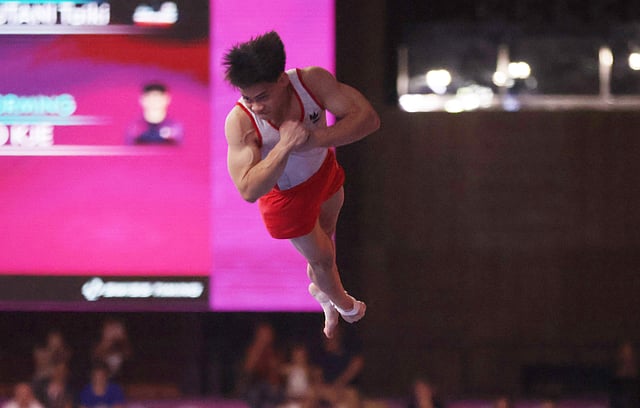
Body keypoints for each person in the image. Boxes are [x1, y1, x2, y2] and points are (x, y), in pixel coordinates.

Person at [222, 31, 380, 339]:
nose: (256, 107)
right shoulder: (240, 122)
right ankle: (345, 305)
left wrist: (314, 139)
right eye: (248, 98)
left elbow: (368, 120)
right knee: (323, 259)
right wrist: (284, 146)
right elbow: (248, 190)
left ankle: (322, 292)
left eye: (262, 97)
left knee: (326, 244)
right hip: (286, 199)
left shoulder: (312, 82)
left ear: (282, 79)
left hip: (324, 172)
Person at [238, 322, 285, 408]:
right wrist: (259, 348)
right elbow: (248, 369)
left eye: (268, 334)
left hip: (270, 386)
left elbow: (276, 373)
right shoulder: (253, 349)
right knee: (254, 394)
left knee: (277, 394)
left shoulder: (275, 351)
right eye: (263, 334)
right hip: (255, 385)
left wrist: (275, 384)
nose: (266, 336)